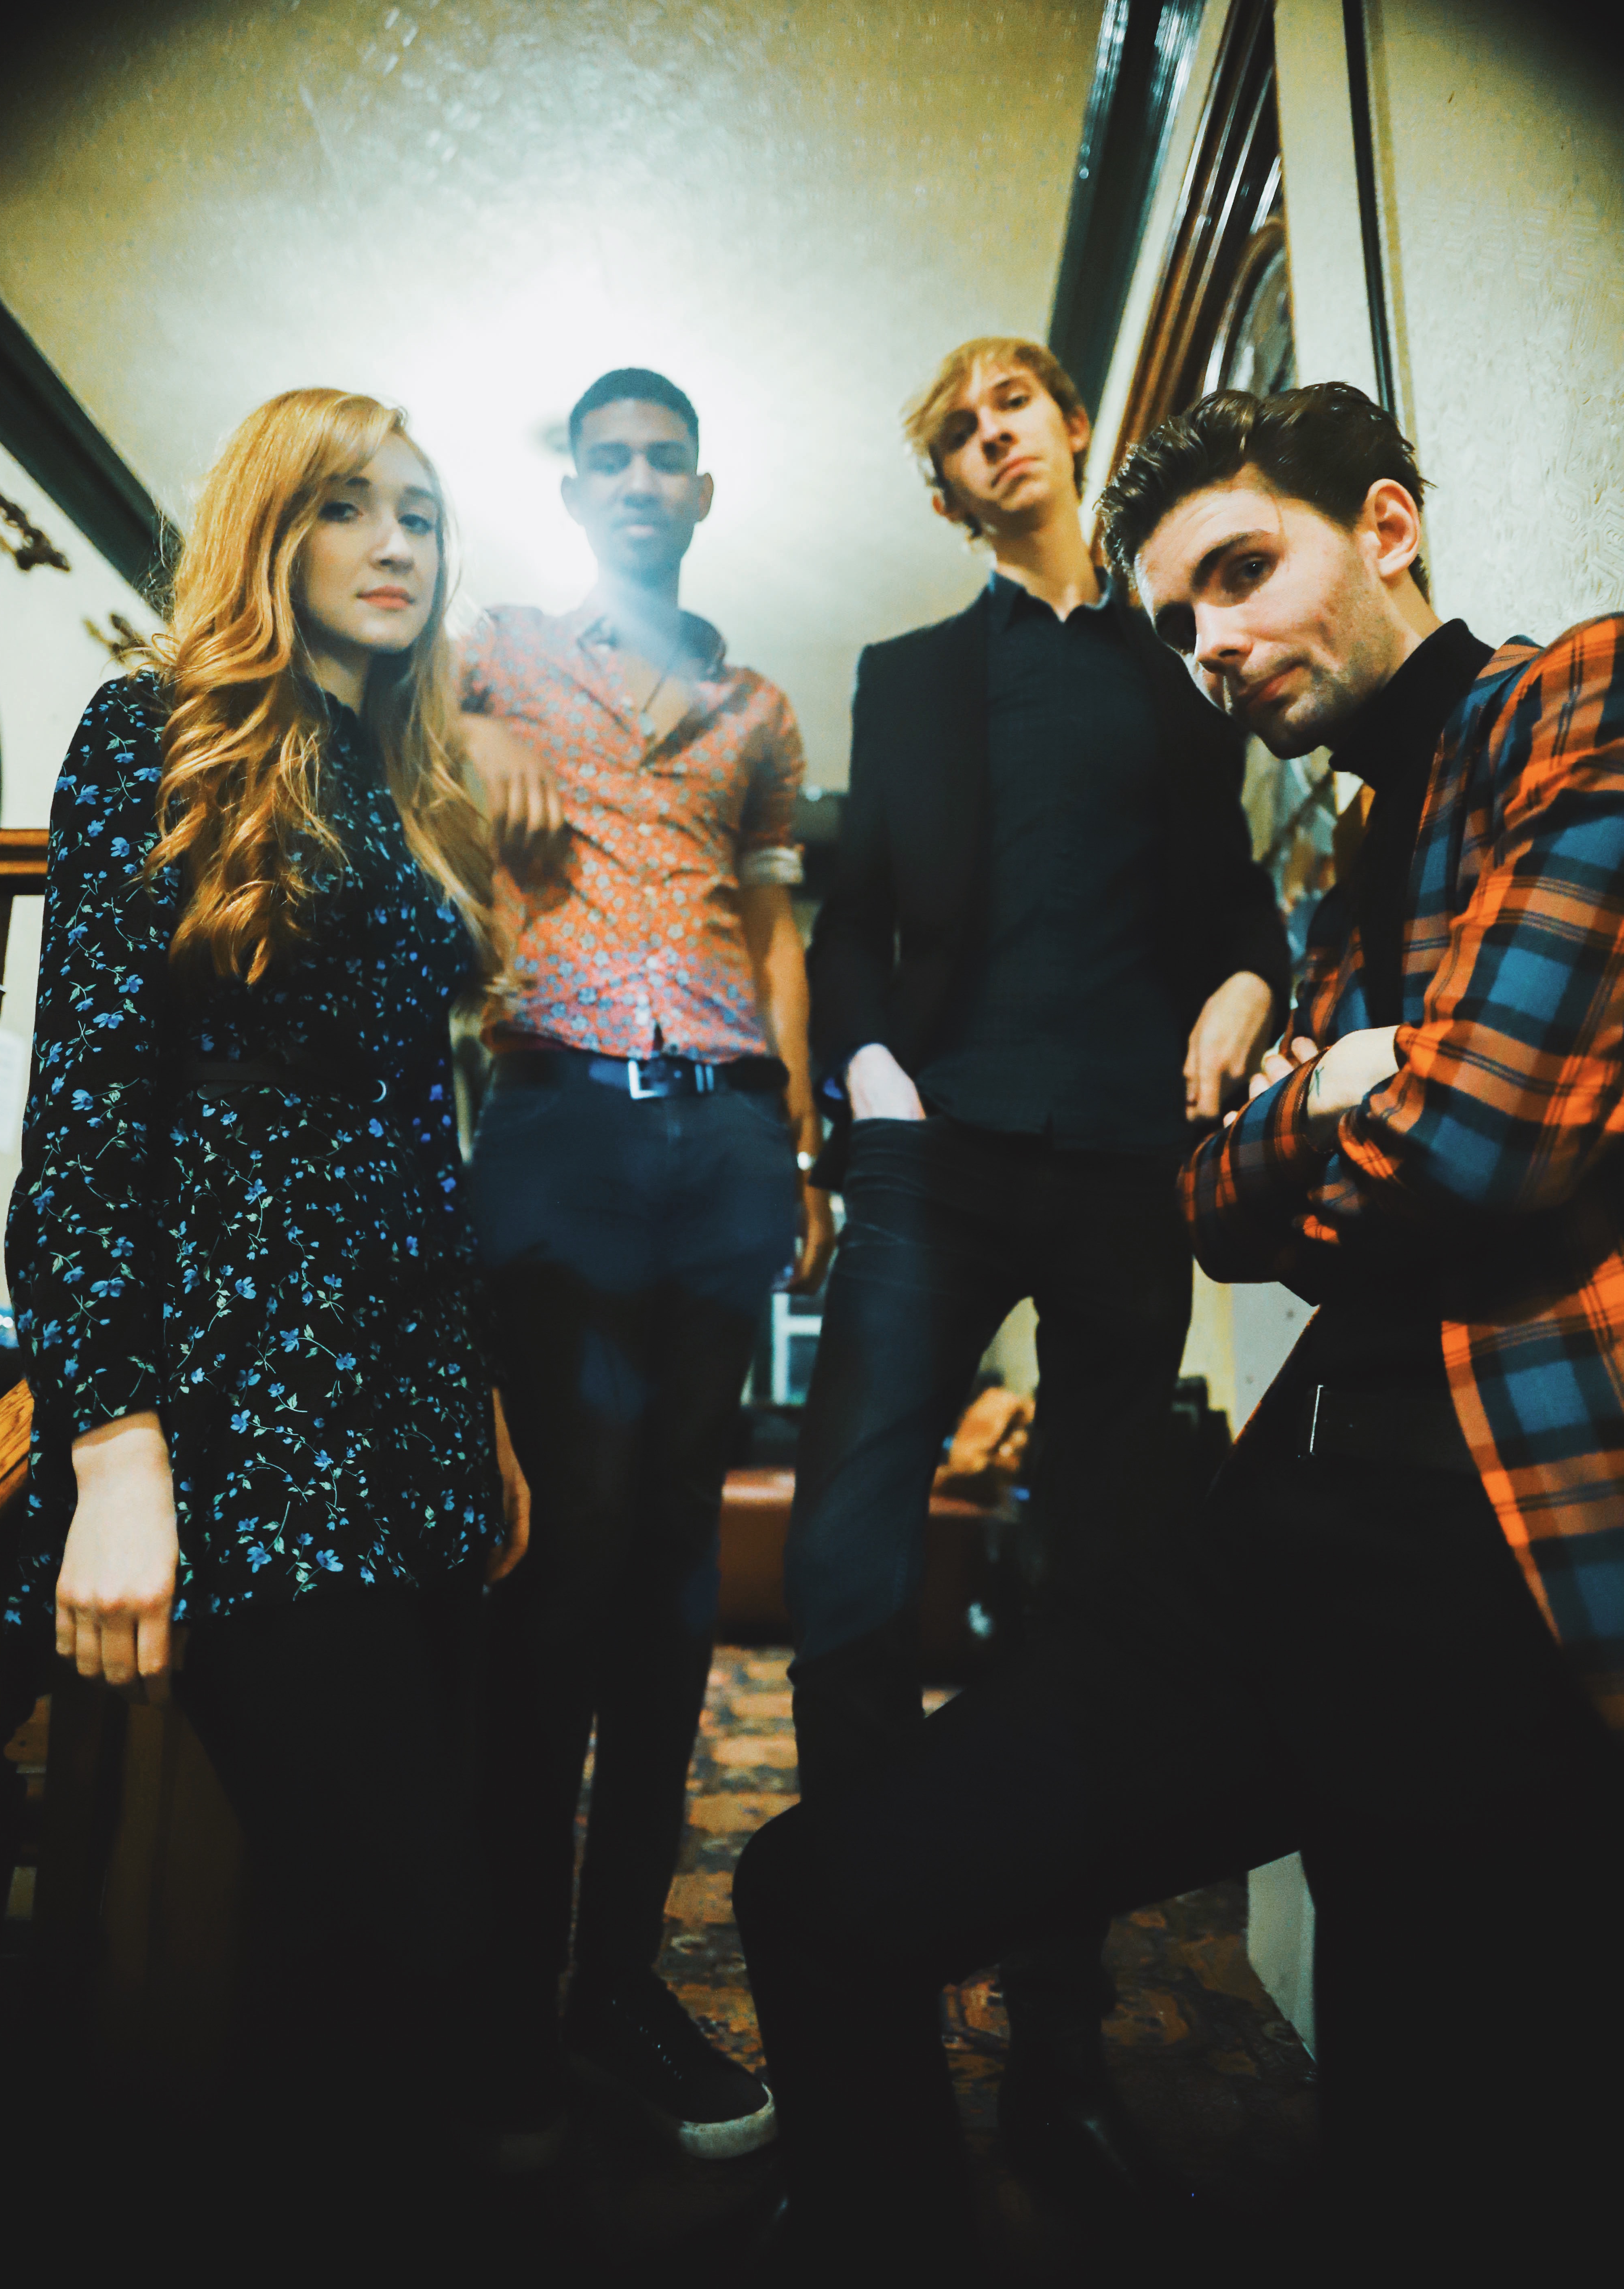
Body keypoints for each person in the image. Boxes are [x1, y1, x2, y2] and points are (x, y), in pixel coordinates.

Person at [734, 381, 1624, 2274]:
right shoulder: (1341, 855)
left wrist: (1305, 1089)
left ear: (1384, 527)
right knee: (813, 1860)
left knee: (1434, 2170)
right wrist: (1323, 1092)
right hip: (1263, 1515)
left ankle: (1079, 2086)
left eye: (1239, 571)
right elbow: (1218, 1206)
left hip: (1483, 1554)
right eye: (1177, 613)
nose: (1207, 644)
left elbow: (1471, 1144)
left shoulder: (1579, 702)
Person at [3, 389, 527, 2190]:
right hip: (246, 1407)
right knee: (415, 1928)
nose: (397, 545)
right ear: (268, 531)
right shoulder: (150, 730)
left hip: (409, 1415)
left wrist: (479, 1408)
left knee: (335, 1957)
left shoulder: (401, 789)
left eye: (423, 516)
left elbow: (416, 1143)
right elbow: (84, 1111)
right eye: (349, 507)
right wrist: (111, 1445)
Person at [783, 335, 1287, 2169]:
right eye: (954, 430)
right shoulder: (907, 674)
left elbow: (1237, 910)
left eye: (1010, 404)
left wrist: (1247, 986)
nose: (987, 435)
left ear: (1071, 426)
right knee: (843, 1572)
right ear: (944, 489)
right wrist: (870, 1079)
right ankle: (869, 2033)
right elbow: (850, 918)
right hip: (935, 1159)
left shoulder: (1185, 662)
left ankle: (1058, 2048)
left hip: (1124, 1169)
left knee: (1097, 1592)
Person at [457, 367, 834, 2159]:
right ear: (572, 489)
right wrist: (468, 746)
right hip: (559, 1125)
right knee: (565, 1552)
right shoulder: (491, 653)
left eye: (659, 459)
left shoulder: (759, 708)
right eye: (602, 458)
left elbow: (774, 923)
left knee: (677, 1574)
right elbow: (380, 746)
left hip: (726, 1137)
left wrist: (799, 1142)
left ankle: (612, 1983)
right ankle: (499, 2004)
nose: (631, 479)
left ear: (700, 491)